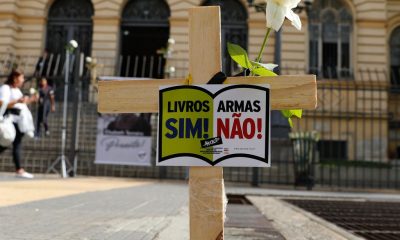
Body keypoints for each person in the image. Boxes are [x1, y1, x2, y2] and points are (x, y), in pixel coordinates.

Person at [0, 70, 37, 178]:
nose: (23, 80)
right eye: (21, 77)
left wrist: (30, 100)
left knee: (13, 143)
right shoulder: (6, 88)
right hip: (10, 120)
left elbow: (20, 103)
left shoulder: (16, 90)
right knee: (7, 142)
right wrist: (17, 101)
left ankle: (19, 169)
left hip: (18, 121)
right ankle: (19, 169)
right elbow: (2, 103)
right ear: (15, 78)